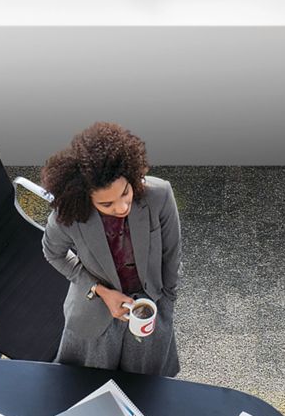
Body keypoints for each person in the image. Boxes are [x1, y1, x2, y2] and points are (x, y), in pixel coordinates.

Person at [38, 122, 183, 376]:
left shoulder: (159, 195)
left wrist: (167, 303)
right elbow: (53, 253)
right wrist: (99, 290)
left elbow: (171, 255)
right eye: (106, 204)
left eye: (125, 192)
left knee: (145, 388)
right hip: (93, 313)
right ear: (85, 198)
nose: (121, 207)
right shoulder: (69, 214)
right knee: (84, 385)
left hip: (148, 304)